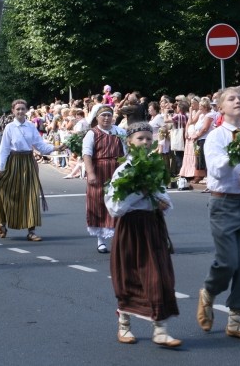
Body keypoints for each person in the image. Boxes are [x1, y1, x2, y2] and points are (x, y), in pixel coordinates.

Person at [196, 87, 240, 342]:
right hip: (223, 204)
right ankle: (208, 291)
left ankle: (236, 321)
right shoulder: (216, 137)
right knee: (228, 261)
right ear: (221, 107)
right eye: (231, 99)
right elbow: (215, 170)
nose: (238, 101)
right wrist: (235, 151)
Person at [105, 122, 181, 347]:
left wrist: (161, 202)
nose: (146, 142)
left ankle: (160, 329)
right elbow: (115, 207)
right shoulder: (124, 169)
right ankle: (124, 324)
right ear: (129, 142)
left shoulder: (154, 167)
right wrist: (141, 191)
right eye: (141, 139)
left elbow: (166, 200)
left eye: (149, 138)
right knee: (128, 276)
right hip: (131, 228)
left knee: (159, 276)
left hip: (153, 226)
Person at [0, 99, 66, 242]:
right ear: (13, 111)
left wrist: (55, 148)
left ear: (26, 110)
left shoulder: (31, 127)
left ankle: (31, 231)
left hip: (28, 161)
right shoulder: (9, 127)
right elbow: (4, 149)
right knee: (7, 192)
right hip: (13, 161)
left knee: (31, 195)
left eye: (23, 109)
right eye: (18, 109)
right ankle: (2, 222)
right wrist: (0, 168)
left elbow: (40, 146)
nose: (20, 111)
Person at [83, 105, 126, 253]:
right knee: (98, 203)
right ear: (97, 118)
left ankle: (118, 238)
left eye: (109, 115)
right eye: (103, 116)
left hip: (117, 170)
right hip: (100, 170)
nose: (106, 118)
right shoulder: (92, 134)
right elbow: (87, 154)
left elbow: (126, 152)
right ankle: (101, 240)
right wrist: (91, 173)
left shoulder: (119, 132)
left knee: (118, 203)